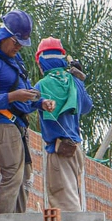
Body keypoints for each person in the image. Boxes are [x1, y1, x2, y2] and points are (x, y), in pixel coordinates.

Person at [0, 10, 56, 213]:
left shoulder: (15, 61)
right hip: (1, 123)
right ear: (4, 36)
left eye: (22, 43)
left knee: (26, 177)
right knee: (13, 175)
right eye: (16, 42)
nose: (18, 47)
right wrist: (12, 97)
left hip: (18, 125)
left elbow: (27, 92)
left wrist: (42, 102)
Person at [34, 37, 93, 211]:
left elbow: (23, 104)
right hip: (76, 150)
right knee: (72, 194)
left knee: (63, 201)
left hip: (60, 151)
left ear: (42, 61)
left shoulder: (41, 85)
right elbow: (87, 106)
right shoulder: (74, 82)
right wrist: (80, 81)